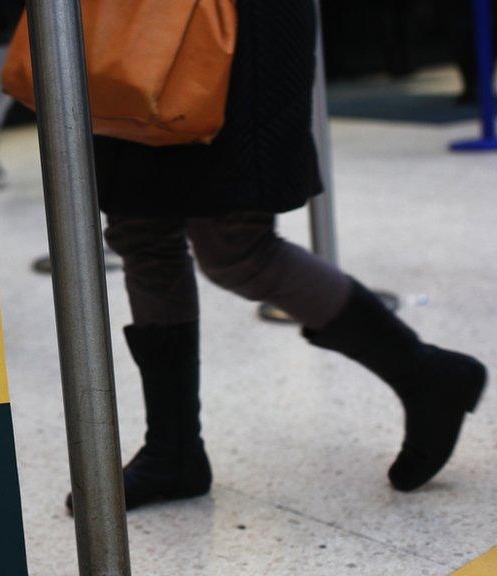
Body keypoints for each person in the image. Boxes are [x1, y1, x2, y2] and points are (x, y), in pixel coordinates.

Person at [72, 0, 488, 511]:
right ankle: (172, 452)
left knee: (236, 243)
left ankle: (424, 373)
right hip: (131, 24)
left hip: (238, 23)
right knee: (140, 226)